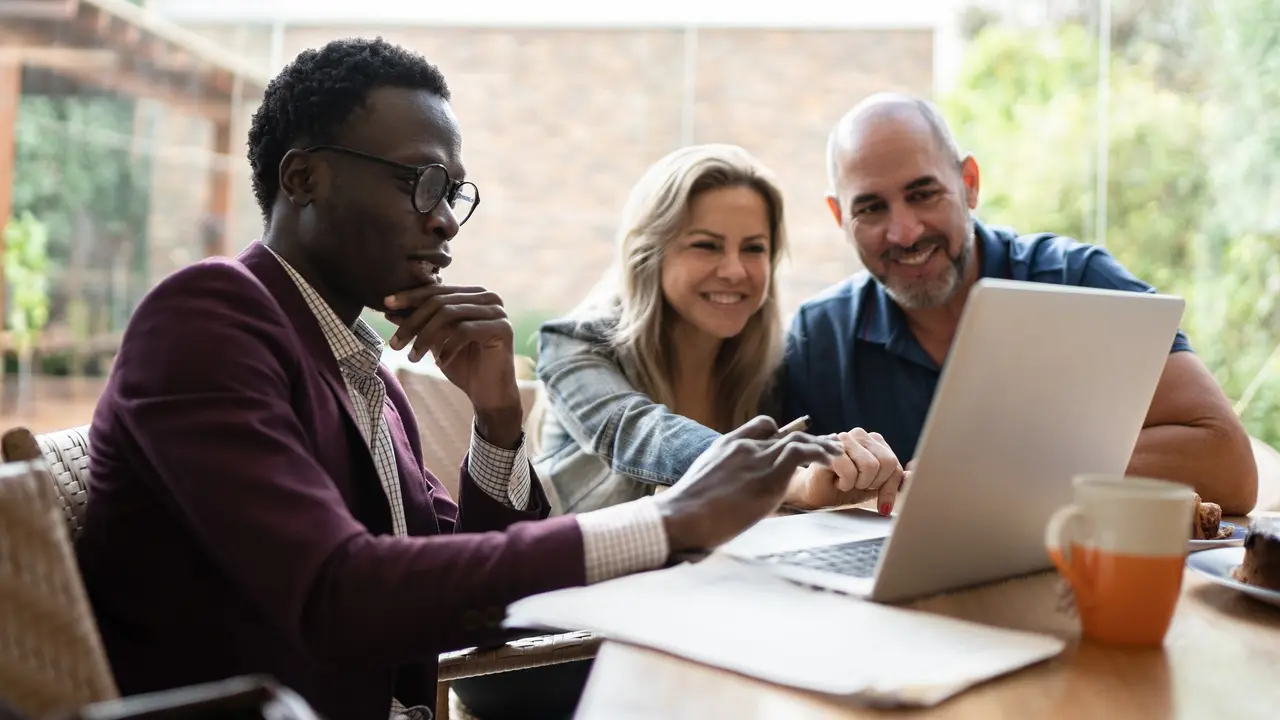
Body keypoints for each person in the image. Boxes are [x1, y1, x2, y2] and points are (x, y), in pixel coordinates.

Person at [76, 38, 843, 720]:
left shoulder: (362, 369)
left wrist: (498, 420)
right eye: (422, 182)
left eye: (452, 194)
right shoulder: (207, 317)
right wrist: (671, 521)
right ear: (303, 178)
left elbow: (481, 596)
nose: (444, 220)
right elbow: (337, 596)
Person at [779, 92, 1258, 514]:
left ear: (969, 183)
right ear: (840, 216)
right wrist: (805, 485)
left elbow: (1229, 466)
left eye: (923, 194)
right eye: (870, 208)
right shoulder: (817, 337)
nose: (904, 232)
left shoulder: (1080, 281)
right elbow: (754, 477)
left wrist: (998, 474)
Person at [534, 144, 905, 518]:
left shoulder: (772, 365)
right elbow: (639, 435)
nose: (734, 271)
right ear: (650, 254)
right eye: (706, 246)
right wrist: (789, 479)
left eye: (753, 248)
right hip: (577, 572)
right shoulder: (573, 344)